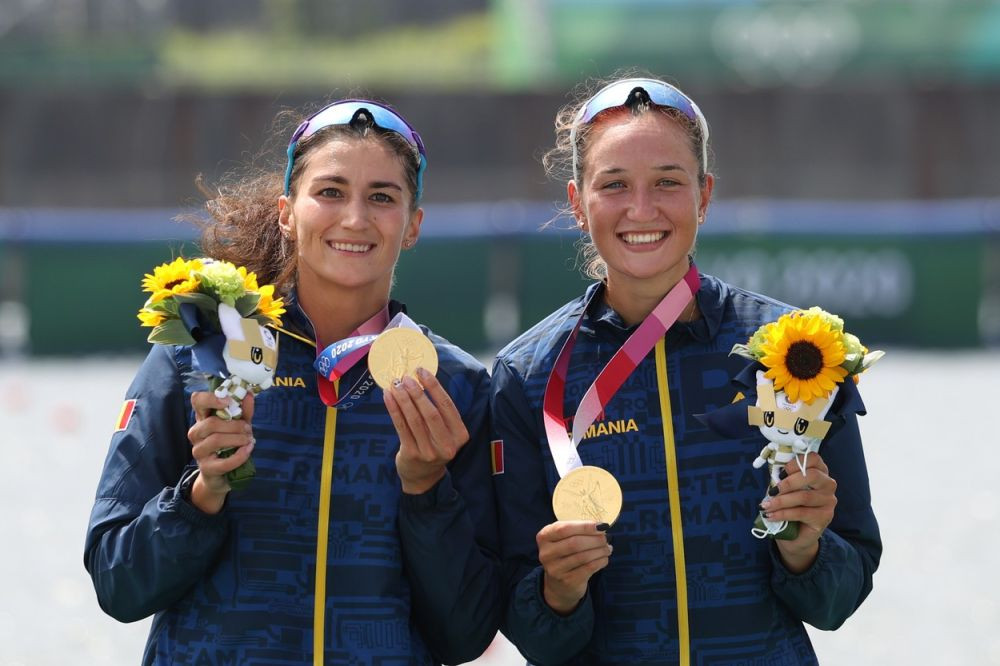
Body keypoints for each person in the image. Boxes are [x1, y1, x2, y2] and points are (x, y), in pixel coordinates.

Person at [85, 98, 501, 665]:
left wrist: (427, 492)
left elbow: (467, 635)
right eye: (330, 192)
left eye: (382, 197)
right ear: (287, 212)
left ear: (413, 226)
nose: (355, 218)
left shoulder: (453, 384)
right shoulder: (204, 349)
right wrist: (200, 495)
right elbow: (117, 585)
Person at [490, 76, 881, 664]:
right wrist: (559, 591)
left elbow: (839, 602)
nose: (641, 210)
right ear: (577, 202)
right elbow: (531, 628)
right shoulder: (526, 375)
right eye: (614, 185)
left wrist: (805, 550)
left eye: (668, 183)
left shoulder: (797, 349)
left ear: (704, 194)